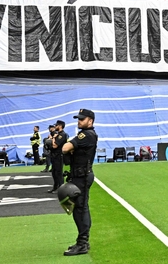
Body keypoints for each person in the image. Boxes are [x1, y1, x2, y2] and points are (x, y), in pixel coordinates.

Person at [61, 109, 98, 256]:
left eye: (82, 119)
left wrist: (70, 146)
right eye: (79, 119)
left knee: (81, 208)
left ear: (90, 121)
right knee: (78, 207)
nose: (79, 121)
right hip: (78, 176)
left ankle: (83, 243)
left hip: (82, 176)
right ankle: (82, 241)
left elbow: (65, 147)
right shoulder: (84, 135)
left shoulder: (87, 135)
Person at [49, 121, 68, 193]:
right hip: (54, 156)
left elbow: (55, 146)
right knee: (54, 172)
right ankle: (55, 187)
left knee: (58, 173)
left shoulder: (62, 135)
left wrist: (53, 139)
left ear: (60, 126)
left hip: (59, 156)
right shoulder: (58, 134)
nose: (55, 127)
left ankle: (61, 189)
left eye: (56, 125)